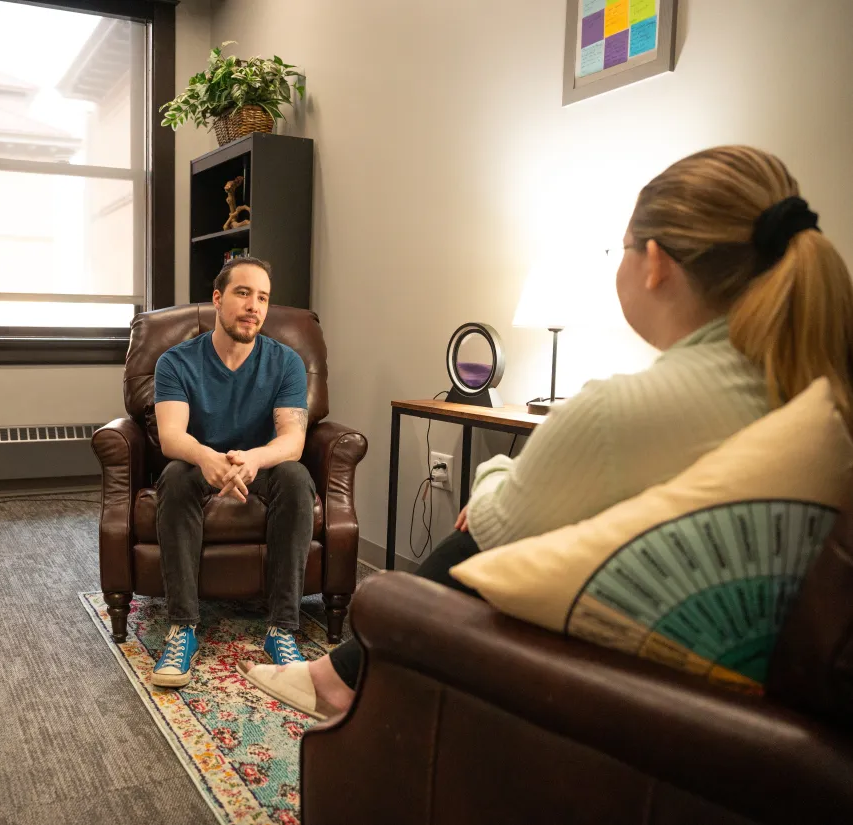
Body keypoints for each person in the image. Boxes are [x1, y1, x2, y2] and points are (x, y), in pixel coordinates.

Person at [240, 145, 853, 719]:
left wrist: (494, 472)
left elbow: (496, 527)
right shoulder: (814, 388)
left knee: (467, 534)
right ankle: (338, 674)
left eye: (622, 249)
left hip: (629, 698)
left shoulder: (620, 411)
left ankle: (337, 679)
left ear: (657, 265)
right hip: (751, 704)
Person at [150, 256, 315, 688]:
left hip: (258, 463)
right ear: (218, 299)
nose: (253, 306)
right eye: (243, 294)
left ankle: (282, 629)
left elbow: (292, 440)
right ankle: (183, 628)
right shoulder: (176, 362)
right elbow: (171, 436)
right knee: (175, 475)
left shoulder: (287, 362)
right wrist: (207, 458)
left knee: (296, 478)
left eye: (262, 297)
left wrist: (255, 459)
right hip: (200, 461)